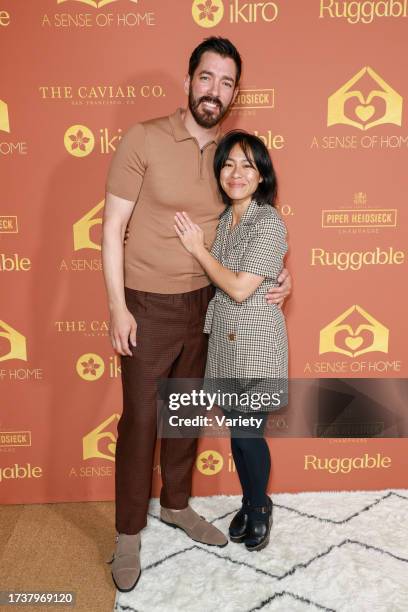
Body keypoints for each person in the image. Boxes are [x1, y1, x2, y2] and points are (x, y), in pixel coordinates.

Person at [102, 37, 291, 592]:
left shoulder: (230, 153)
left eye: (226, 82)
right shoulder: (143, 137)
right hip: (146, 302)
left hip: (208, 308)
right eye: (206, 78)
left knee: (182, 414)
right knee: (141, 420)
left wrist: (282, 272)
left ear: (235, 92)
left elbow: (252, 219)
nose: (215, 90)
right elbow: (112, 229)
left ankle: (177, 505)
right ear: (189, 81)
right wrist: (117, 305)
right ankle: (128, 534)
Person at [174, 130, 288, 552]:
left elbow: (240, 288)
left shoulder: (269, 221)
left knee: (246, 434)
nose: (236, 173)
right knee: (238, 432)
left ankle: (260, 507)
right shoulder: (223, 220)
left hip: (256, 344)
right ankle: (249, 500)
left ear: (261, 176)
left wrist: (197, 249)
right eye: (228, 164)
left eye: (247, 165)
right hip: (223, 342)